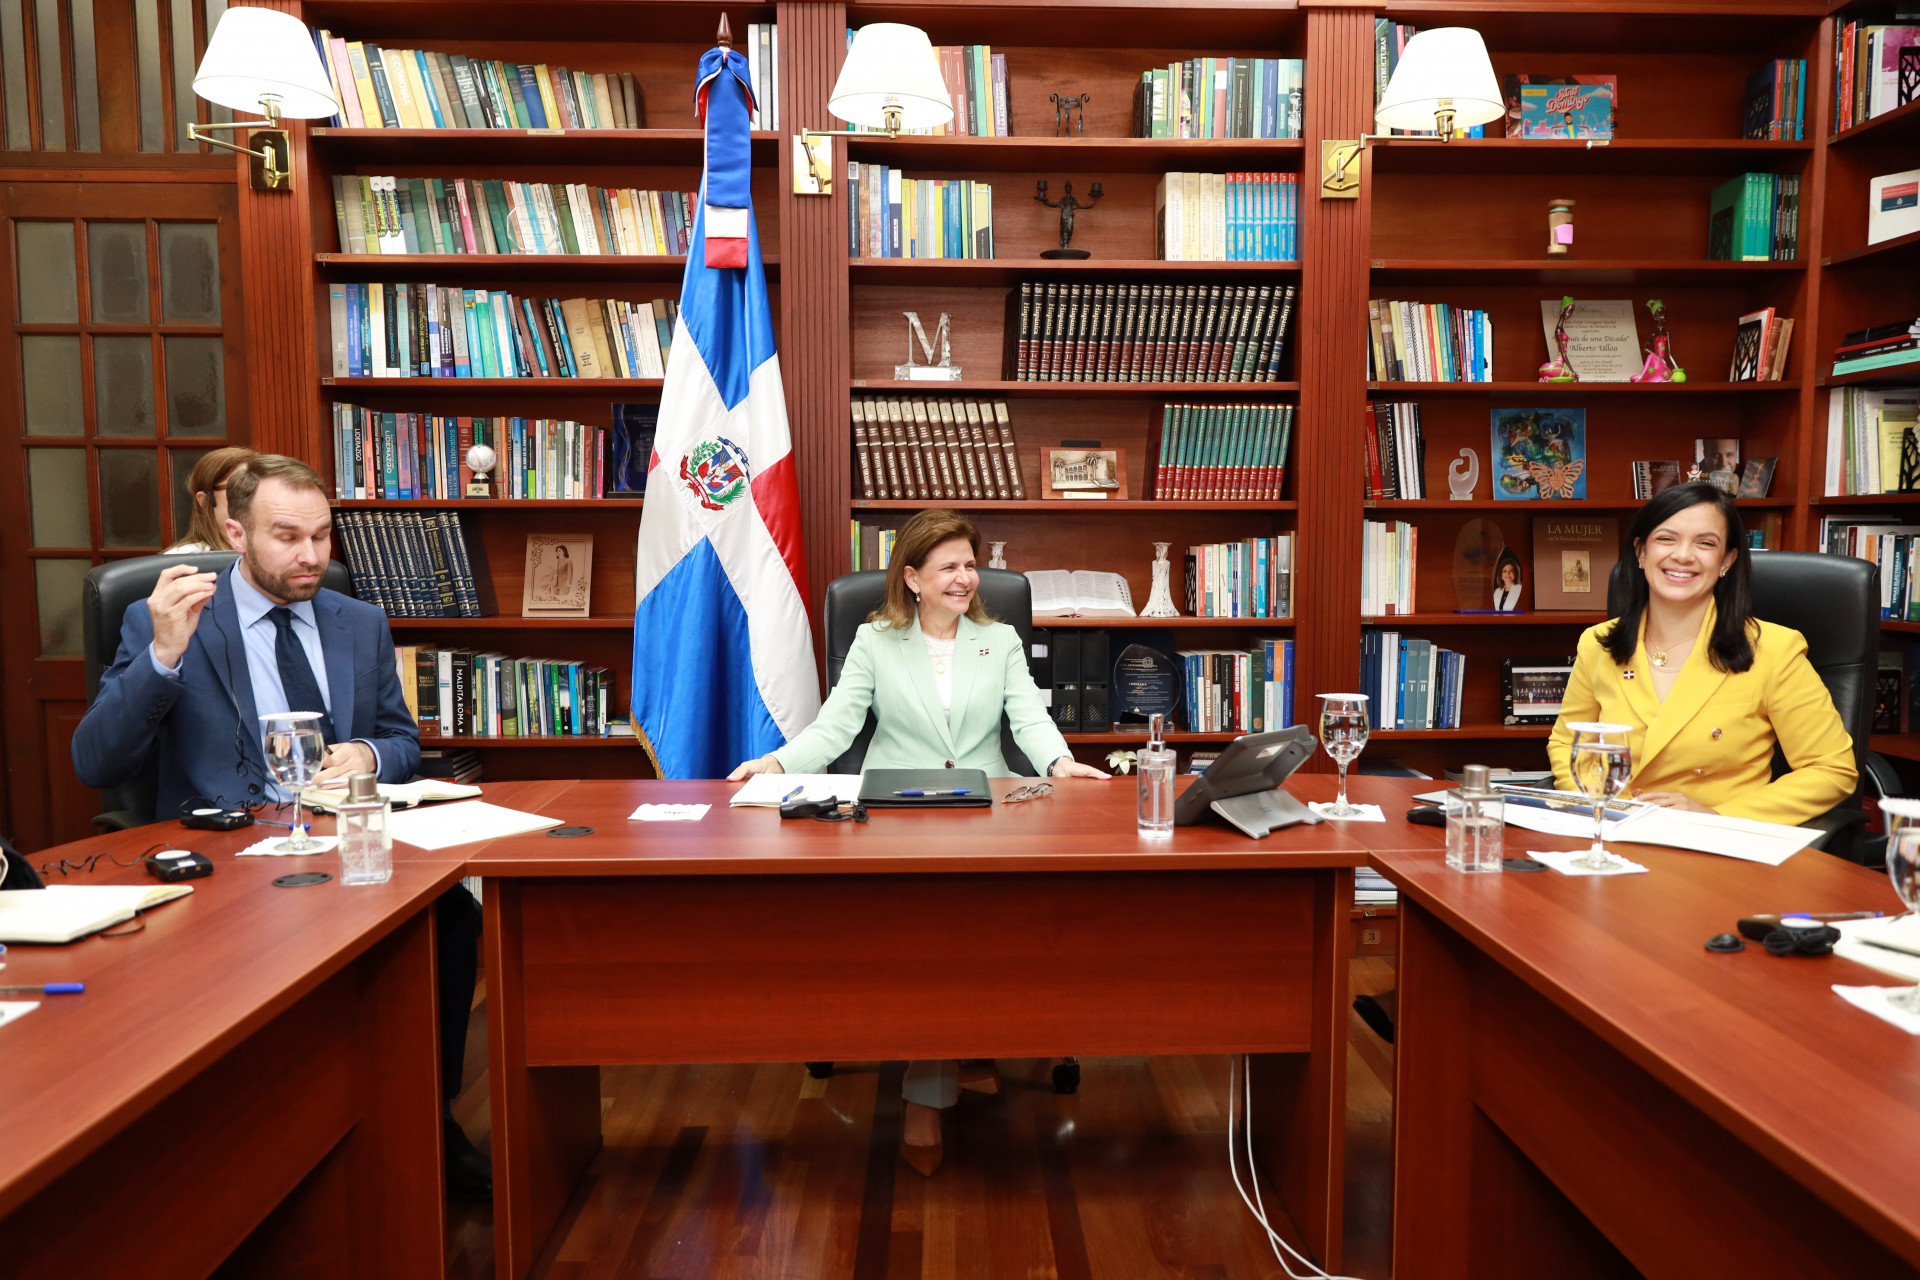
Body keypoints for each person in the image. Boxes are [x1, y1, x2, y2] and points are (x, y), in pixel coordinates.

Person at [71, 455, 492, 1201]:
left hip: (345, 843)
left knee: (452, 917)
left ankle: (430, 1116)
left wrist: (366, 753)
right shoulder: (166, 620)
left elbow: (402, 741)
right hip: (227, 856)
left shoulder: (357, 621)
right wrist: (164, 654)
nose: (310, 557)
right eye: (288, 537)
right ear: (236, 533)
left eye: (322, 536)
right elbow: (96, 761)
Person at [729, 508, 1109, 1175]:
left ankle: (969, 1047)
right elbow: (837, 727)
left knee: (990, 929)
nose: (965, 578)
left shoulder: (1000, 639)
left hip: (989, 811)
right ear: (912, 579)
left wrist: (1059, 763)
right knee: (933, 936)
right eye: (949, 567)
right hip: (896, 812)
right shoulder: (875, 640)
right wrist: (776, 764)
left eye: (971, 565)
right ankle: (927, 1092)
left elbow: (1028, 716)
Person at [1547, 483, 1855, 823]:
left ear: (1727, 560)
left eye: (1705, 543)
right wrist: (1596, 810)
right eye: (1666, 538)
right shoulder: (1597, 643)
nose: (1683, 555)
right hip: (1612, 833)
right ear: (1641, 552)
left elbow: (1831, 770)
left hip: (1715, 841)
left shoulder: (1774, 649)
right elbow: (1567, 745)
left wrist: (1716, 817)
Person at [165, 445, 257, 552]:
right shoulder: (184, 558)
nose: (252, 498)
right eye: (238, 488)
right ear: (204, 500)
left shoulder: (270, 552)